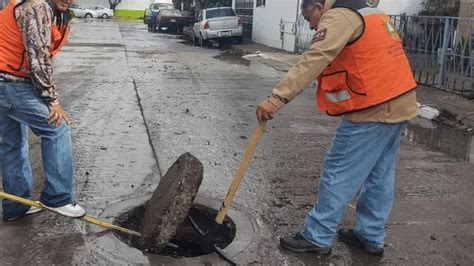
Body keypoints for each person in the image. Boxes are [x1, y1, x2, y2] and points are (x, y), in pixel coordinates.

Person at [256, 0, 417, 256]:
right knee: (379, 176)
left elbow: (315, 58)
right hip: (400, 102)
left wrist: (277, 98)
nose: (310, 26)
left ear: (320, 7)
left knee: (338, 171)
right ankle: (371, 235)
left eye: (310, 17)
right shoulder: (369, 12)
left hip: (372, 109)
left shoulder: (339, 16)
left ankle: (317, 236)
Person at [0, 0, 86, 221]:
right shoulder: (38, 6)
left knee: (13, 145)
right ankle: (57, 198)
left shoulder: (46, 9)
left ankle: (16, 207)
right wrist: (51, 100)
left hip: (7, 82)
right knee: (57, 128)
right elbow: (38, 58)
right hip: (10, 84)